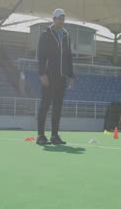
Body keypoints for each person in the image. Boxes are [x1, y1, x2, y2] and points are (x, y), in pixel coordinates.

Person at [36, 8, 74, 145]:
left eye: (63, 18)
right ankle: (40, 136)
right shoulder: (45, 34)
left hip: (62, 77)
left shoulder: (66, 35)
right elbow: (40, 56)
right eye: (59, 18)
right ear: (53, 19)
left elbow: (69, 57)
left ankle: (54, 136)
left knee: (57, 107)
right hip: (49, 76)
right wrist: (42, 74)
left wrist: (70, 76)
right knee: (45, 105)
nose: (62, 21)